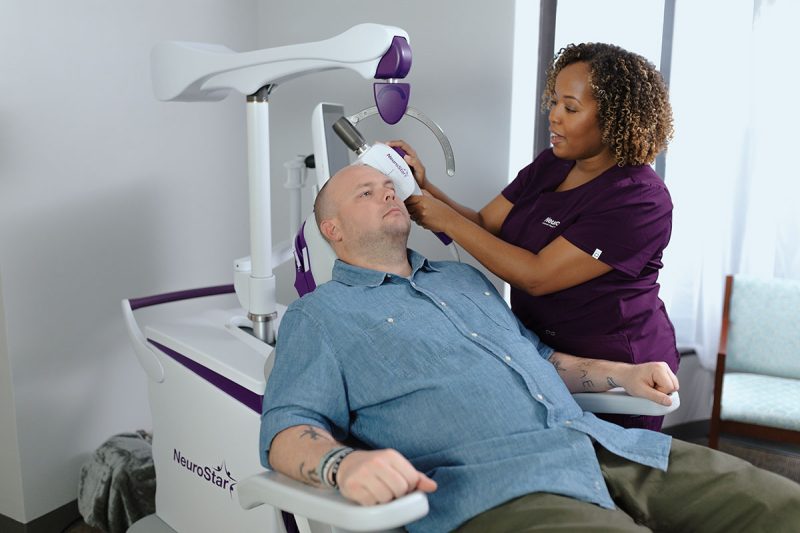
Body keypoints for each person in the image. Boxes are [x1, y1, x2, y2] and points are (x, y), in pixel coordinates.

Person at [260, 164, 800, 533]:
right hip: (500, 487)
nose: (386, 192)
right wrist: (340, 466)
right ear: (330, 228)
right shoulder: (320, 316)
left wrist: (620, 376)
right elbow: (286, 426)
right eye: (365, 192)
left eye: (387, 186)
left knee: (782, 507)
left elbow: (541, 361)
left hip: (603, 449)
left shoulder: (463, 281)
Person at [389, 43, 677, 431]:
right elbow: (486, 223)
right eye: (554, 102)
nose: (554, 117)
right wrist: (424, 187)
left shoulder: (639, 199)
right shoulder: (551, 164)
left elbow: (537, 276)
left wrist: (445, 221)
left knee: (608, 475)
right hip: (541, 352)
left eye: (570, 108)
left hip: (620, 366)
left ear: (614, 118)